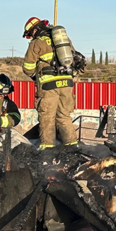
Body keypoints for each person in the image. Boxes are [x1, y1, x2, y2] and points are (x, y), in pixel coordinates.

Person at [21, 17, 77, 149]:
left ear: (35, 30)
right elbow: (73, 59)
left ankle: (48, 151)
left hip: (49, 87)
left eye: (30, 34)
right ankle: (72, 148)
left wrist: (37, 77)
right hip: (67, 84)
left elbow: (27, 68)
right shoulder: (64, 40)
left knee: (47, 118)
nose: (30, 37)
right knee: (64, 117)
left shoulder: (37, 43)